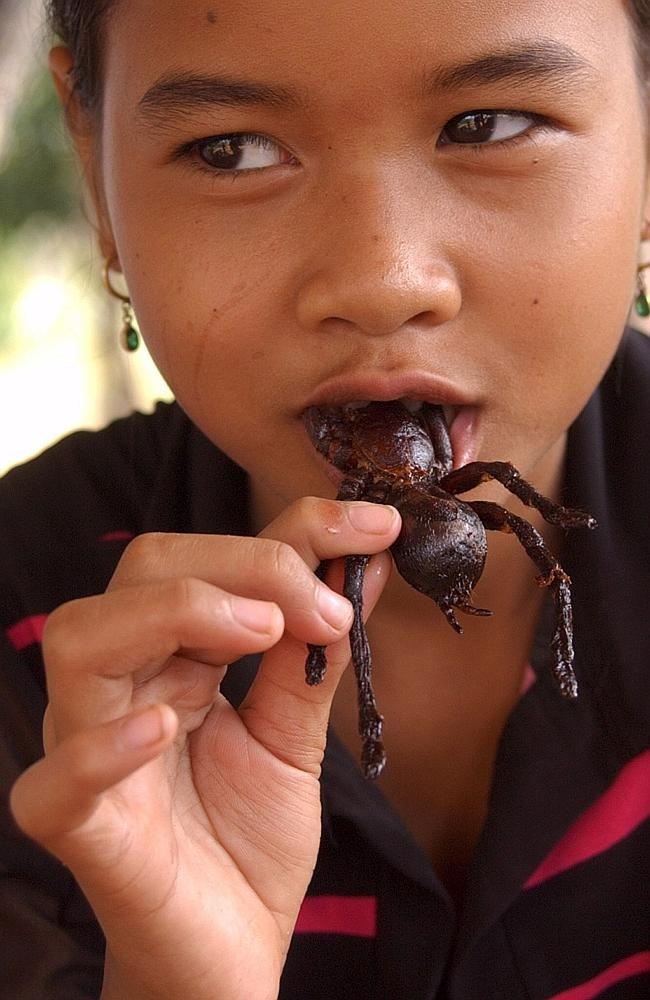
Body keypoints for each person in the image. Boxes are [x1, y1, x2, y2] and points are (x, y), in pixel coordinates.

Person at [2, 0, 650, 996]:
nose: (380, 280)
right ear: (95, 170)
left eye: (485, 124)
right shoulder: (26, 623)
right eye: (230, 148)